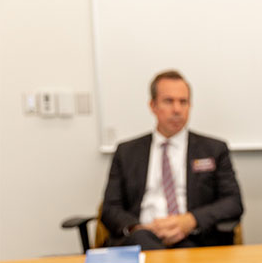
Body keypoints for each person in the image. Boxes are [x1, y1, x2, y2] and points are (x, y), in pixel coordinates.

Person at [102, 70, 243, 250]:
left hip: (194, 239)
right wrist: (138, 228)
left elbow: (233, 202)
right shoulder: (127, 152)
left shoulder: (214, 149)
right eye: (169, 101)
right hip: (142, 238)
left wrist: (191, 220)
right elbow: (110, 208)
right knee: (143, 241)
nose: (177, 109)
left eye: (183, 102)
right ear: (153, 105)